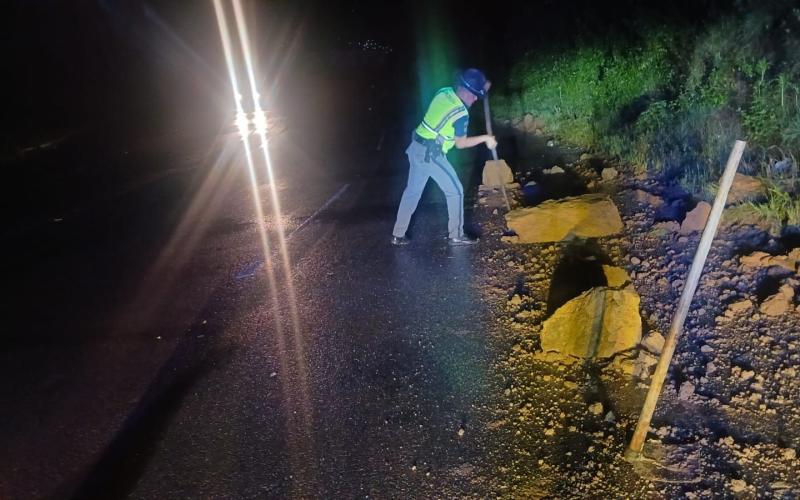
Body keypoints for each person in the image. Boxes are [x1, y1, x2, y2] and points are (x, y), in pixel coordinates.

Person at [391, 68, 497, 246]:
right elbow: (461, 143)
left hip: (416, 147)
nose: (476, 98)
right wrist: (486, 138)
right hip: (430, 154)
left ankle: (397, 234)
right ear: (465, 91)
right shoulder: (461, 114)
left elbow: (473, 91)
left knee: (412, 193)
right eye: (474, 94)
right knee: (455, 191)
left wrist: (483, 87)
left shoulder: (445, 92)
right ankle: (456, 235)